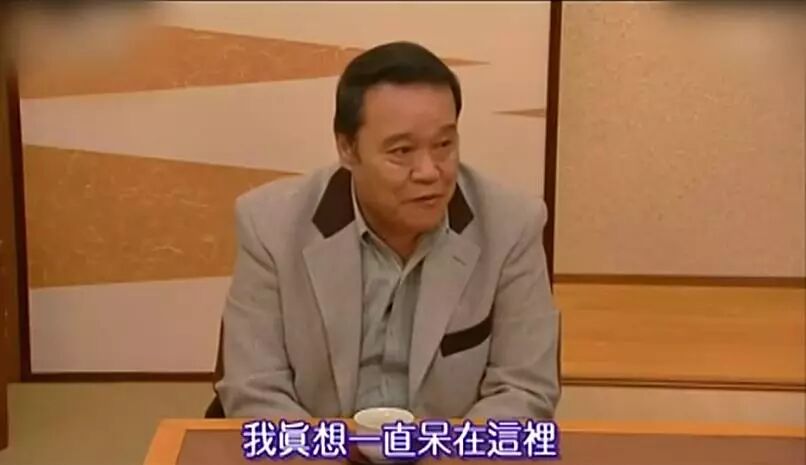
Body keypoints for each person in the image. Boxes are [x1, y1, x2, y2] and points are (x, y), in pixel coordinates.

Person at [215, 41, 560, 420]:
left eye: (444, 144)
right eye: (401, 151)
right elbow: (255, 389)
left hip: (447, 449)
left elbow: (524, 389)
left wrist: (437, 451)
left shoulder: (512, 226)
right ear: (347, 149)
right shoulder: (271, 225)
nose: (429, 171)